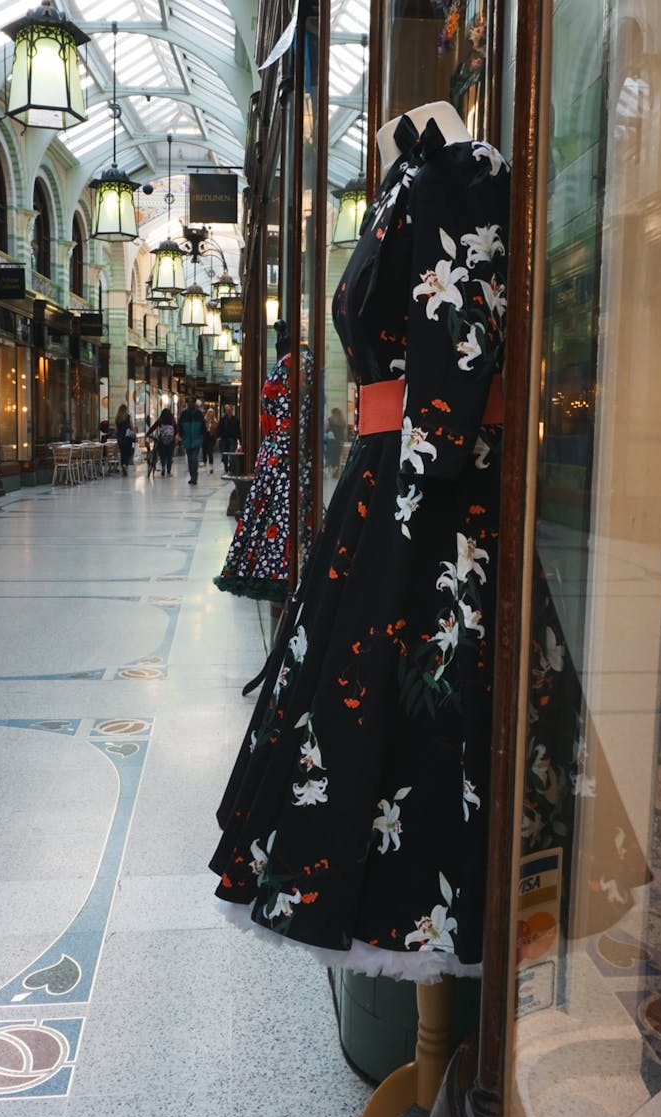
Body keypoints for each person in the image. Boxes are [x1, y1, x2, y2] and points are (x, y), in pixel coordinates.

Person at [209, 102, 510, 980]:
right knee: (356, 714)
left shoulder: (469, 173)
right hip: (384, 489)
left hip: (432, 498)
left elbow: (461, 346)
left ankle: (425, 917)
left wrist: (421, 480)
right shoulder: (397, 182)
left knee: (423, 713)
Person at [214, 350, 314, 600]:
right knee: (281, 515)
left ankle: (271, 570)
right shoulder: (295, 366)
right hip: (285, 455)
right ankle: (277, 574)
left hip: (275, 454)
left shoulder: (286, 368)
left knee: (272, 515)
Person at [178, 396, 205, 484]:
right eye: (189, 402)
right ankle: (192, 476)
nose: (190, 404)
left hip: (196, 440)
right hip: (187, 440)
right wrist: (181, 436)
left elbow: (203, 427)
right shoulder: (184, 414)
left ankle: (194, 477)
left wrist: (202, 436)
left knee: (194, 458)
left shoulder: (199, 414)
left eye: (192, 402)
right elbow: (180, 426)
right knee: (190, 459)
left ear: (194, 403)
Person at [145, 407, 176, 476]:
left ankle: (163, 467)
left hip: (162, 440)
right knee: (169, 456)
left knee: (162, 455)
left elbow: (153, 427)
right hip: (171, 441)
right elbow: (177, 429)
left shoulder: (160, 420)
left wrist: (147, 434)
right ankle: (168, 471)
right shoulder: (172, 420)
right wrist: (173, 436)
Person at [216, 403, 242, 479]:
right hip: (224, 439)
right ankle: (226, 467)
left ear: (232, 410)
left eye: (230, 410)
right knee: (224, 454)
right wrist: (218, 437)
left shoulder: (235, 419)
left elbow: (238, 430)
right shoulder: (223, 419)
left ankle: (231, 467)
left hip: (232, 439)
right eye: (227, 410)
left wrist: (239, 439)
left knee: (231, 453)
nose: (229, 411)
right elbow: (219, 429)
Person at [114, 403, 135, 476]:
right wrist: (134, 434)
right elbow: (132, 427)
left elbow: (116, 430)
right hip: (127, 438)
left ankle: (123, 465)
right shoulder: (128, 417)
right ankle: (125, 465)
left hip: (120, 439)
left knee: (122, 453)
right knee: (128, 453)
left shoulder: (117, 418)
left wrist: (118, 435)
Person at [325, 406, 346, 477]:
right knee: (337, 457)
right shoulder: (342, 421)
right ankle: (335, 470)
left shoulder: (330, 420)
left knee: (332, 456)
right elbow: (343, 433)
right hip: (339, 442)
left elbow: (327, 429)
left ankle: (334, 470)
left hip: (332, 441)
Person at [202, 406, 218, 473]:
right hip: (205, 436)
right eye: (209, 412)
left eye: (212, 413)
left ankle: (211, 466)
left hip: (211, 437)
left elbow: (216, 429)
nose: (210, 414)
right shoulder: (204, 420)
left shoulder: (215, 421)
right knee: (204, 451)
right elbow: (202, 428)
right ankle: (205, 465)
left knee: (210, 451)